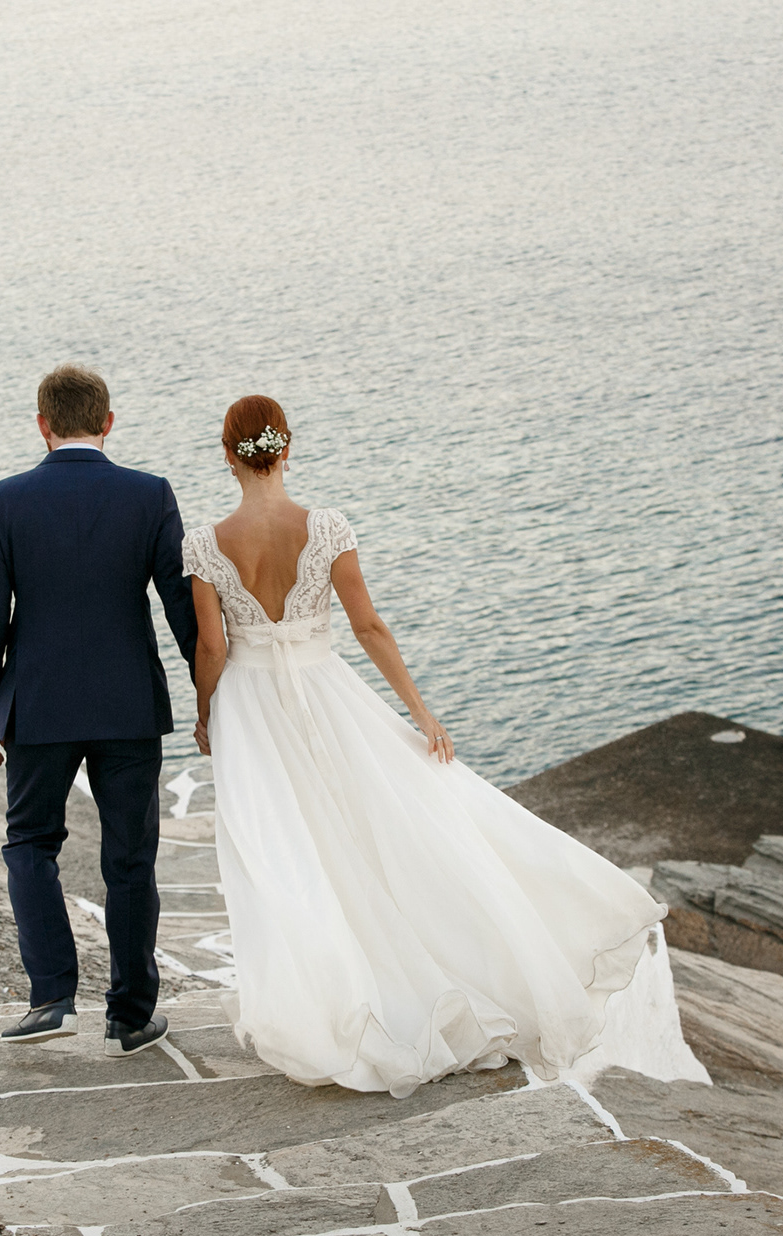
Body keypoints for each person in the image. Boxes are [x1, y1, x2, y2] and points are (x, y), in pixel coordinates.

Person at [184, 395, 709, 1097]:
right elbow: (369, 627)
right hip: (327, 691)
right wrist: (421, 714)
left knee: (281, 852)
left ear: (227, 455)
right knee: (379, 828)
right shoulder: (327, 526)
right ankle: (420, 982)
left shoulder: (205, 545)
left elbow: (212, 645)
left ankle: (325, 1006)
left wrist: (206, 712)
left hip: (252, 705)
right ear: (286, 450)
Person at [0, 364, 198, 1057]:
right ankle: (129, 1014)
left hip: (36, 706)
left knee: (30, 844)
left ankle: (53, 997)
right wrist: (213, 694)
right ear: (108, 422)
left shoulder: (4, 500)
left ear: (42, 424)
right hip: (128, 704)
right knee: (130, 858)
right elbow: (181, 605)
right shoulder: (149, 495)